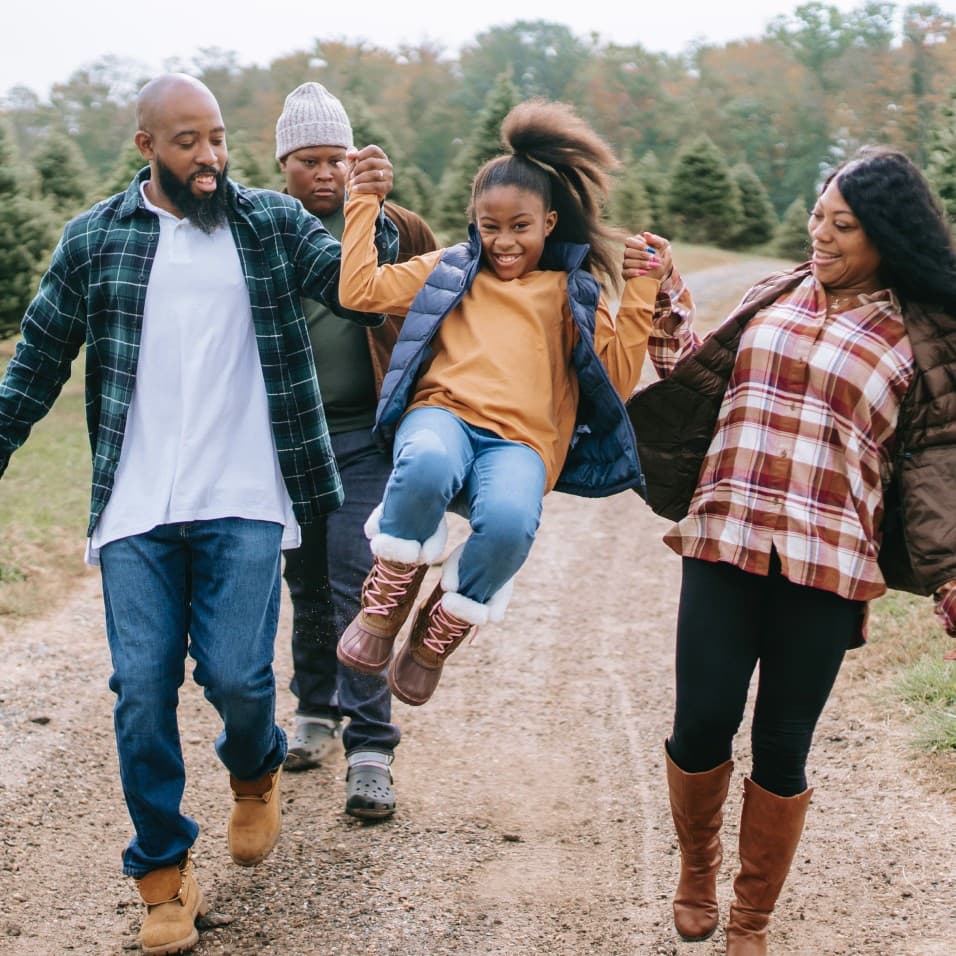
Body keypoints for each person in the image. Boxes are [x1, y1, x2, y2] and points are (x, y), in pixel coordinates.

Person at [0, 73, 398, 955]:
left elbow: (357, 288)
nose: (211, 157)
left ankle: (254, 773)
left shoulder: (267, 223)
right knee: (141, 691)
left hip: (246, 495)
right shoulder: (95, 240)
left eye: (218, 138)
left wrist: (374, 209)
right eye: (188, 142)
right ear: (147, 147)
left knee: (239, 681)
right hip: (136, 507)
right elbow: (35, 365)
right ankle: (162, 879)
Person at [625, 145, 956, 954]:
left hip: (827, 563)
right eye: (817, 216)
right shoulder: (773, 295)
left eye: (842, 225)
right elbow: (701, 376)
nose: (821, 234)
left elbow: (940, 465)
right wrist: (666, 293)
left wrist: (950, 575)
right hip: (725, 536)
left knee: (782, 743)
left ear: (885, 235)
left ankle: (751, 920)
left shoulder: (921, 338)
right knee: (701, 721)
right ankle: (696, 866)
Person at [334, 98, 667, 706]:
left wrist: (641, 288)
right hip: (444, 416)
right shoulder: (450, 271)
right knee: (428, 463)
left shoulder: (572, 292)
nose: (505, 242)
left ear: (548, 222)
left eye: (521, 227)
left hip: (522, 444)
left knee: (512, 525)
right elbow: (359, 291)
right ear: (474, 221)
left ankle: (439, 628)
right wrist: (363, 204)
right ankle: (386, 600)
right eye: (491, 226)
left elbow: (616, 383)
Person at [274, 81, 438, 819]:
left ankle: (370, 747)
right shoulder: (267, 229)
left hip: (366, 440)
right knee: (304, 582)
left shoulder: (391, 226)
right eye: (307, 160)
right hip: (285, 443)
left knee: (358, 583)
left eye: (335, 158)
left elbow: (438, 307)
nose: (324, 173)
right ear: (283, 165)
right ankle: (313, 709)